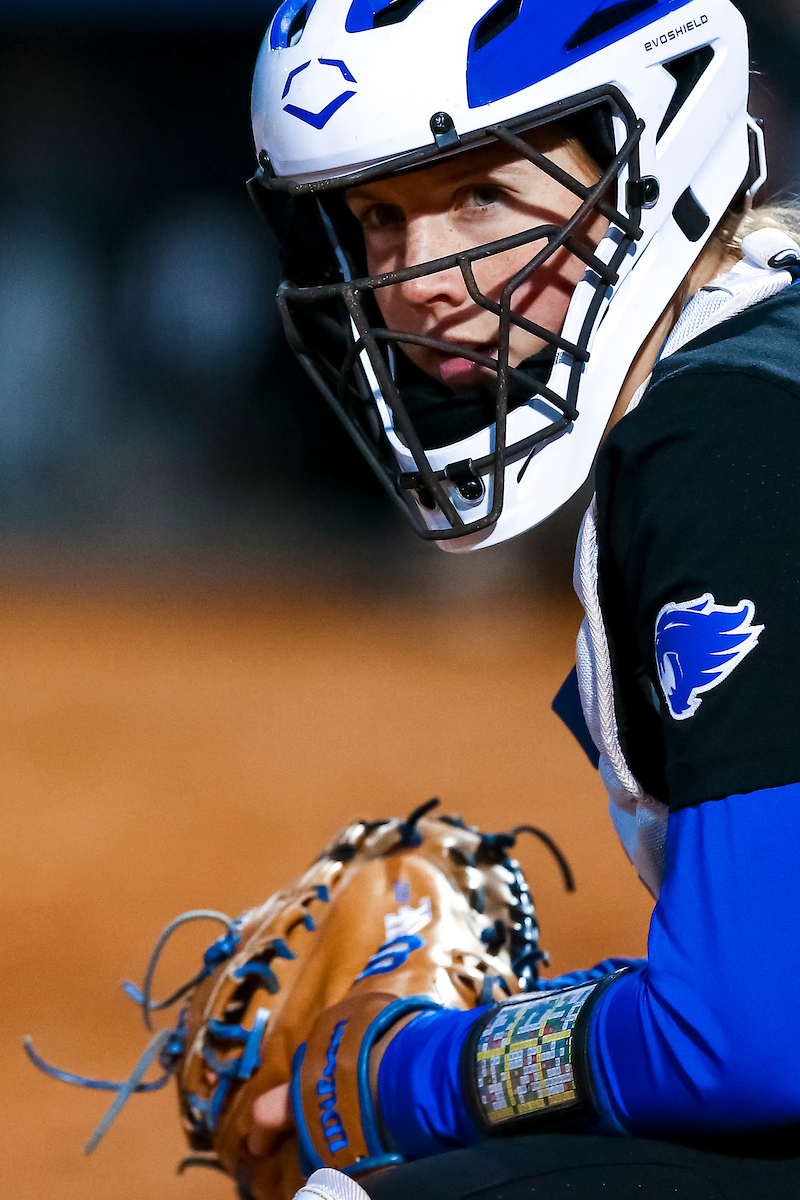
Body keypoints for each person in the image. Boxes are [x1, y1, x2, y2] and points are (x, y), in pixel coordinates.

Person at [246, 0, 800, 1196]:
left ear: (647, 154)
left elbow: (753, 1044)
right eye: (379, 218)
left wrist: (403, 1076)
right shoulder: (762, 352)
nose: (413, 282)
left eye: (480, 198)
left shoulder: (728, 436)